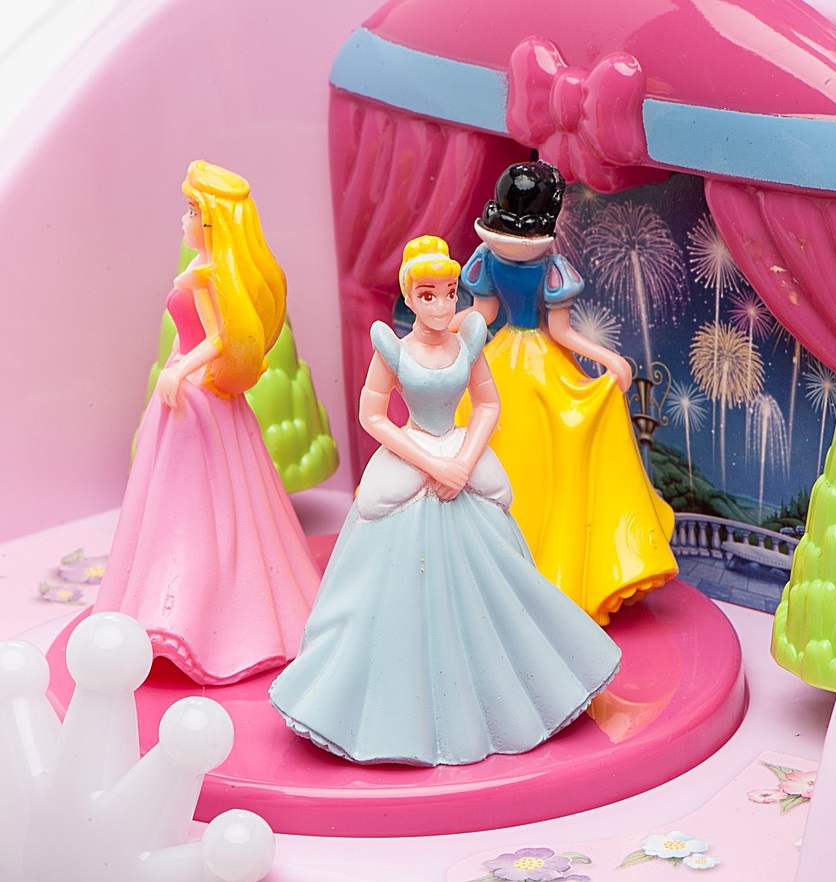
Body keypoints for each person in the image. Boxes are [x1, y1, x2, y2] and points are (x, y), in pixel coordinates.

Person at [270, 235, 621, 766]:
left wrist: (464, 459)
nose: (441, 305)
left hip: (460, 455)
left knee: (502, 578)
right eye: (429, 295)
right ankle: (389, 712)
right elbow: (372, 416)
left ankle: (510, 696)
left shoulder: (468, 343)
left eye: (451, 292)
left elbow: (487, 405)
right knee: (383, 592)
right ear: (410, 297)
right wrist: (433, 464)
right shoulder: (394, 350)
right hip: (415, 457)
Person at [95, 161, 320, 685]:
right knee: (180, 500)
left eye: (192, 211)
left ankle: (203, 616)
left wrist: (181, 372)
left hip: (197, 393)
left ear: (214, 221)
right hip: (191, 391)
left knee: (201, 503)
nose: (184, 219)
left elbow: (222, 336)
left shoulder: (212, 274)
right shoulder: (204, 266)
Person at [457, 161, 677, 625]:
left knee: (548, 450)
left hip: (518, 360)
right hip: (515, 362)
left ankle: (540, 566)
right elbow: (494, 317)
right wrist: (435, 332)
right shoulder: (502, 262)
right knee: (504, 446)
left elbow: (517, 323)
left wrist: (609, 360)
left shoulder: (530, 266)